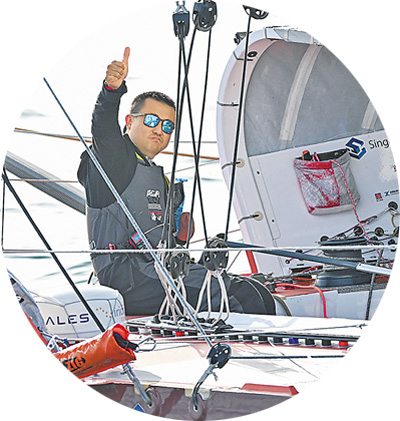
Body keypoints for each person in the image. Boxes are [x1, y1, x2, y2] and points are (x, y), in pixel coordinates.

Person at [78, 47, 275, 317]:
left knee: (256, 290)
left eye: (168, 125)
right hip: (129, 278)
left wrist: (181, 238)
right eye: (151, 120)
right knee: (239, 295)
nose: (159, 129)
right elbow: (102, 128)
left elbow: (164, 243)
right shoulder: (112, 160)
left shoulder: (158, 176)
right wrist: (111, 91)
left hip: (156, 271)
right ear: (129, 121)